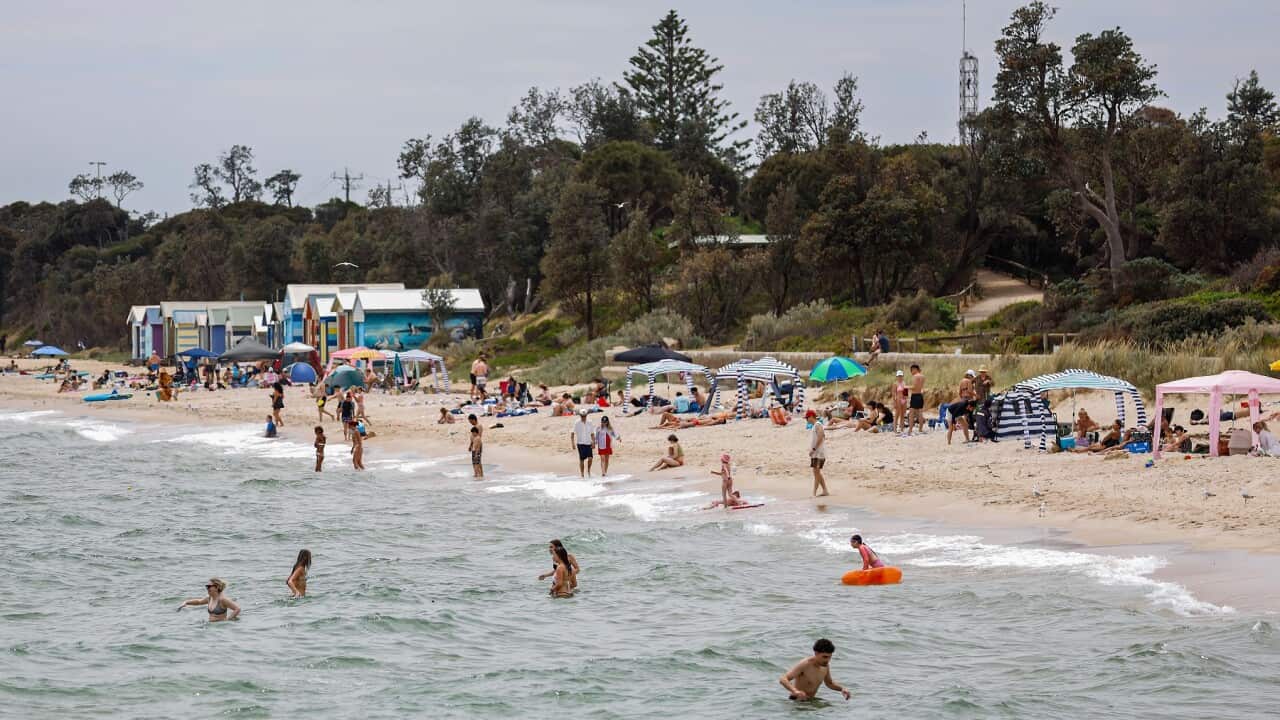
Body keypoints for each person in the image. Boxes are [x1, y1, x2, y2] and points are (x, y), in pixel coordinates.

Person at [779, 639, 851, 702]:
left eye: (830, 657)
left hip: (811, 702)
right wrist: (796, 691)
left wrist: (842, 689)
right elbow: (783, 679)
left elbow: (829, 683)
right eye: (825, 657)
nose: (827, 660)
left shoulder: (825, 666)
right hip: (797, 702)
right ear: (816, 653)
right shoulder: (805, 664)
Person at [806, 409, 829, 496]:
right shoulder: (815, 425)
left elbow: (820, 437)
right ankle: (823, 491)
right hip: (816, 453)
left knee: (816, 472)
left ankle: (815, 493)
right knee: (816, 473)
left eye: (807, 418)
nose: (807, 420)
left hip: (819, 453)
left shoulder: (818, 425)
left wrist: (814, 449)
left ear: (811, 416)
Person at [571, 408, 595, 477]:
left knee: (590, 458)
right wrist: (573, 443)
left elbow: (592, 433)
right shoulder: (577, 422)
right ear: (580, 415)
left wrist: (593, 442)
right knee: (582, 459)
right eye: (582, 416)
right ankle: (582, 474)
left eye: (584, 416)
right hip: (580, 443)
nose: (583, 417)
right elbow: (572, 433)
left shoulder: (590, 422)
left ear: (586, 415)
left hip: (588, 442)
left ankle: (589, 470)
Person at [907, 364, 925, 435]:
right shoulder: (923, 376)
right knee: (920, 413)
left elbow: (914, 387)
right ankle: (920, 429)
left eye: (911, 370)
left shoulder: (915, 376)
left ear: (914, 369)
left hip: (915, 395)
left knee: (911, 414)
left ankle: (910, 430)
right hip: (920, 395)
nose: (911, 372)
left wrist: (906, 387)